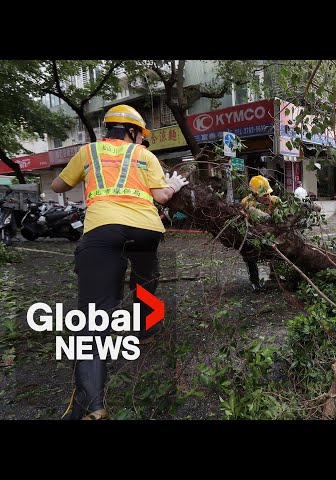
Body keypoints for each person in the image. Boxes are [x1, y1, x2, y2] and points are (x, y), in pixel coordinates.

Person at [51, 104, 189, 420]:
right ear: (131, 131)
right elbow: (163, 197)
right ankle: (146, 329)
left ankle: (91, 407)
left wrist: (86, 182)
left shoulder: (88, 152)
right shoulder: (146, 156)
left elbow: (59, 185)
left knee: (93, 319)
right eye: (141, 134)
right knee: (145, 280)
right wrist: (174, 185)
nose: (142, 140)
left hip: (103, 231)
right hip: (146, 230)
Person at [241, 175, 281, 291]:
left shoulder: (275, 201)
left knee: (277, 251)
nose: (267, 197)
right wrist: (264, 216)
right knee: (250, 255)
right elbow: (252, 212)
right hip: (252, 236)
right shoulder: (247, 203)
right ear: (254, 195)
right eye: (264, 195)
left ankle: (275, 275)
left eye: (268, 193)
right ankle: (255, 282)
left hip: (271, 235)